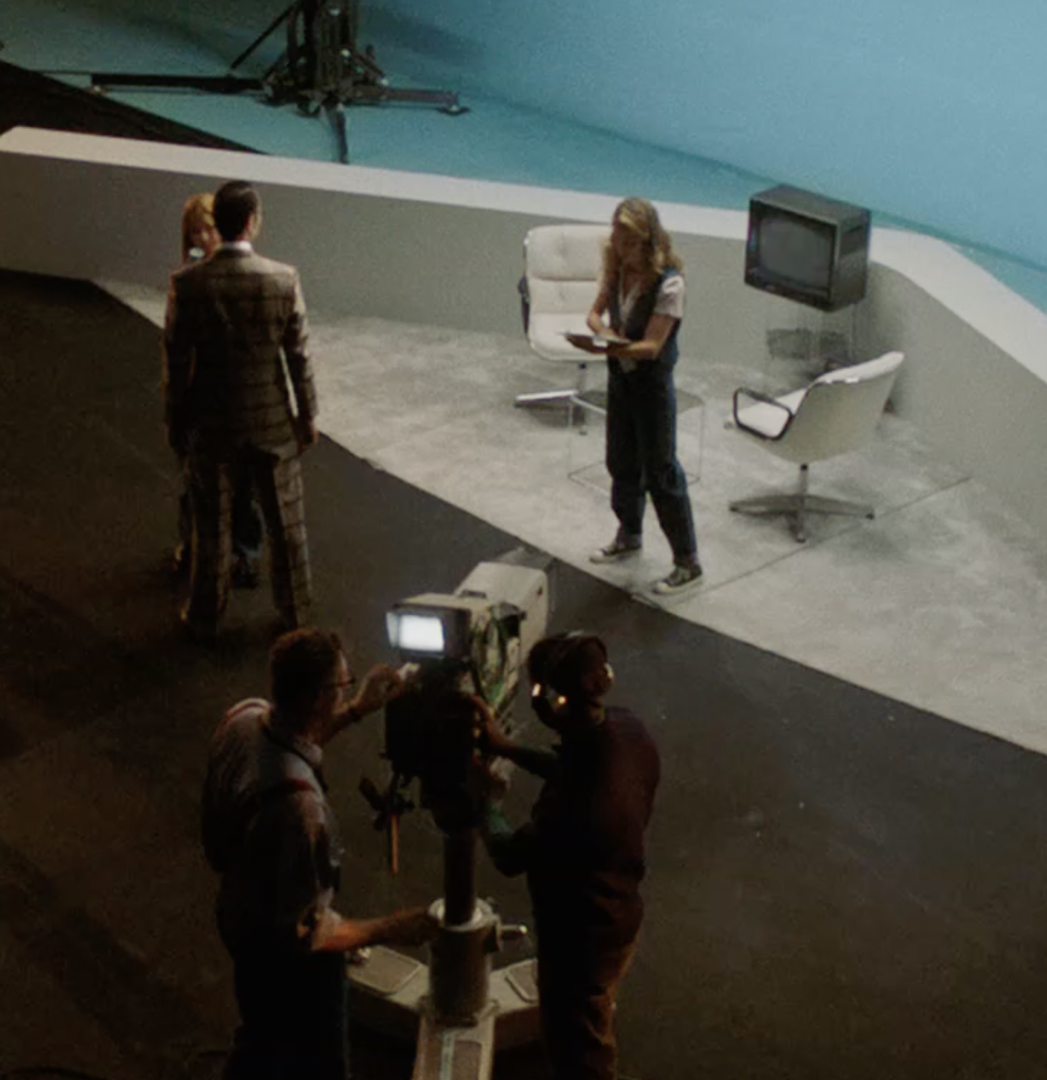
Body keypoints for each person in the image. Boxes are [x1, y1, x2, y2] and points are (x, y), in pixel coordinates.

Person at [201, 627, 438, 1080]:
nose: (348, 688)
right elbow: (306, 934)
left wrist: (358, 709)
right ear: (317, 698)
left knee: (260, 1036)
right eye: (344, 684)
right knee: (316, 1057)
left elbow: (295, 740)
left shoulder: (244, 718)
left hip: (237, 913)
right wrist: (392, 927)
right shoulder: (300, 811)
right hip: (284, 955)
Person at [477, 632, 660, 1080]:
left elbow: (508, 853)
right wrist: (505, 747)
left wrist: (486, 802)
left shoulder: (572, 809)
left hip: (580, 945)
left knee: (579, 1053)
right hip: (619, 915)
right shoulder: (628, 729)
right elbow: (572, 763)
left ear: (548, 702)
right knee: (594, 1018)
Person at [163, 181, 317, 638]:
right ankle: (296, 615)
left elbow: (176, 360)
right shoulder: (283, 280)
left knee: (211, 526)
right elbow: (299, 357)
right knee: (287, 528)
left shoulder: (187, 284)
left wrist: (175, 419)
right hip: (272, 424)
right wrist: (307, 416)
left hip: (211, 424)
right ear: (252, 222)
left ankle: (205, 614)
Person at [571, 197, 703, 595]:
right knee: (620, 460)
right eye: (617, 237)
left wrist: (609, 347)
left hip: (651, 387)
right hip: (621, 382)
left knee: (661, 471)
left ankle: (687, 561)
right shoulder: (616, 268)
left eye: (628, 240)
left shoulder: (669, 283)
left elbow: (652, 346)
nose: (620, 246)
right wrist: (602, 335)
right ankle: (629, 533)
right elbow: (594, 314)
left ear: (646, 240)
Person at [169, 191, 264, 588]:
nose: (203, 238)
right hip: (200, 398)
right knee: (194, 482)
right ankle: (193, 546)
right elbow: (176, 347)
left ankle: (244, 553)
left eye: (208, 229)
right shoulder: (186, 282)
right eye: (196, 232)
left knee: (243, 486)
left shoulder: (248, 277)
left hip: (237, 398)